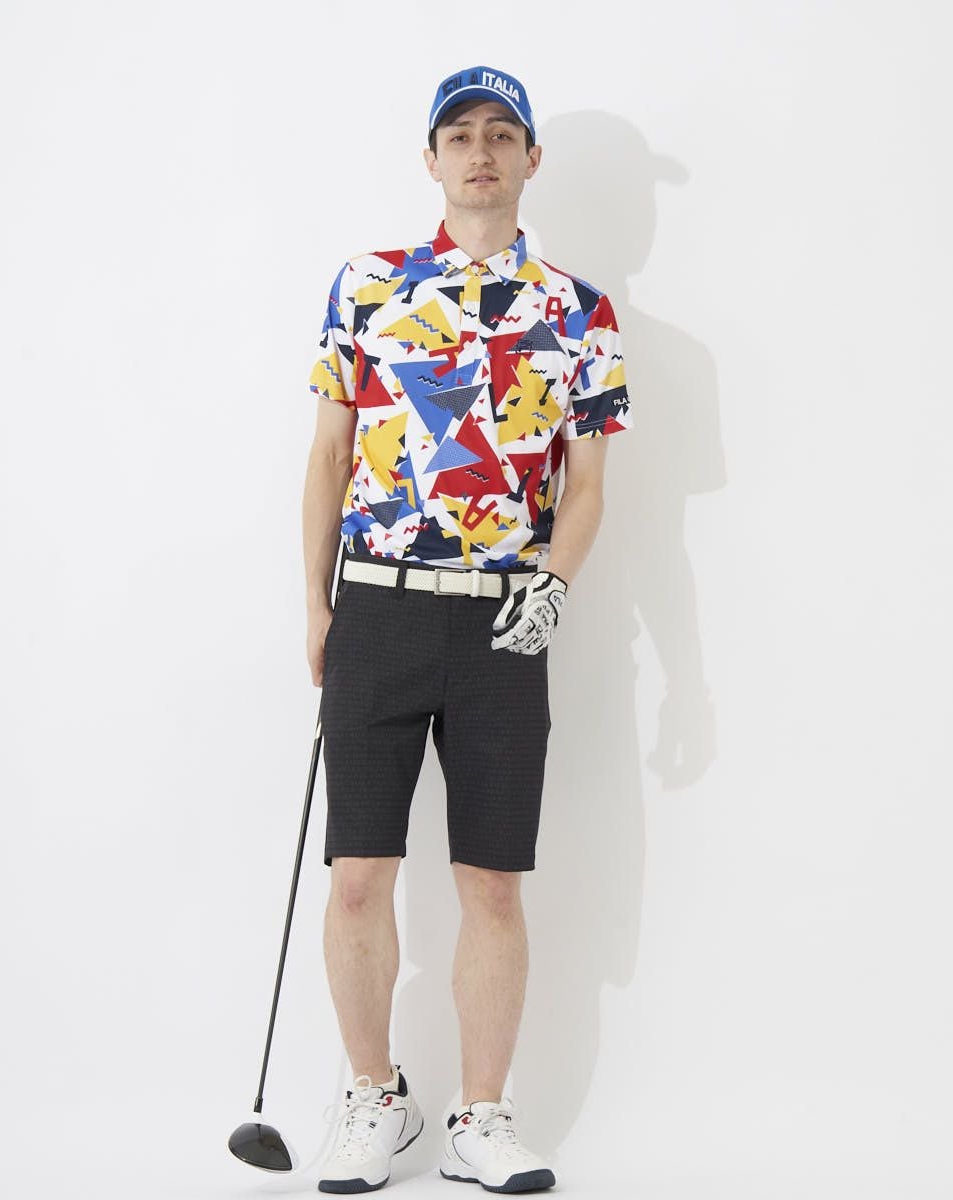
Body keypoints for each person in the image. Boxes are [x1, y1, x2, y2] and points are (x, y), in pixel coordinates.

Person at [302, 63, 631, 1194]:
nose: (480, 152)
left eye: (501, 134)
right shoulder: (368, 286)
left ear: (531, 158)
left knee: (492, 880)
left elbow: (587, 482)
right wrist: (315, 603)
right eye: (460, 135)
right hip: (380, 605)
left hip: (503, 620)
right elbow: (329, 455)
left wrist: (557, 583)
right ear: (432, 159)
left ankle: (479, 1117)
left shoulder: (579, 310)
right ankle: (373, 1096)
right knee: (358, 873)